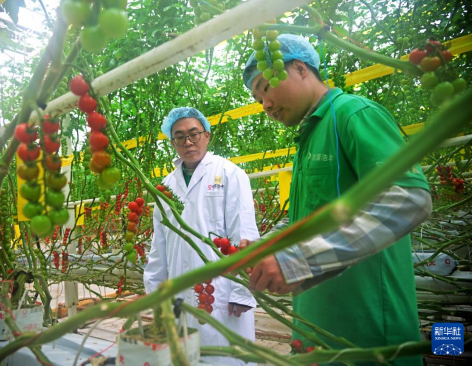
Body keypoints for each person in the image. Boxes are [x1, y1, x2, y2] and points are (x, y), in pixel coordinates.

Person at [241, 34, 432, 364]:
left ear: (300, 68)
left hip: (369, 336)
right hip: (317, 333)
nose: (266, 106)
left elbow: (409, 199)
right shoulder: (309, 137)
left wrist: (298, 262)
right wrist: (267, 246)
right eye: (258, 99)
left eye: (266, 87)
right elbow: (305, 216)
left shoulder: (353, 114)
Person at [144, 107, 259, 366]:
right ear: (172, 142)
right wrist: (155, 291)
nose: (188, 142)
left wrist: (242, 291)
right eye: (179, 136)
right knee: (185, 357)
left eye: (194, 134)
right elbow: (159, 245)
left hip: (221, 290)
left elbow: (245, 233)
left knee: (226, 356)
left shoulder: (229, 174)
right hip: (179, 290)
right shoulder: (166, 185)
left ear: (207, 135)